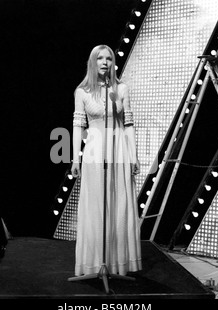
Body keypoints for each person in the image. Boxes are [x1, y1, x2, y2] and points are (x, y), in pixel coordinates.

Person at [71, 44, 142, 277]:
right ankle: (94, 262)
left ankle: (117, 263)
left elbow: (129, 125)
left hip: (119, 149)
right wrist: (75, 159)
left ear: (113, 63)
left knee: (119, 204)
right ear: (93, 62)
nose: (104, 62)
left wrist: (134, 156)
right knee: (96, 205)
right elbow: (77, 125)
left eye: (109, 58)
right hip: (93, 152)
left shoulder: (121, 89)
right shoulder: (81, 92)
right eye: (100, 58)